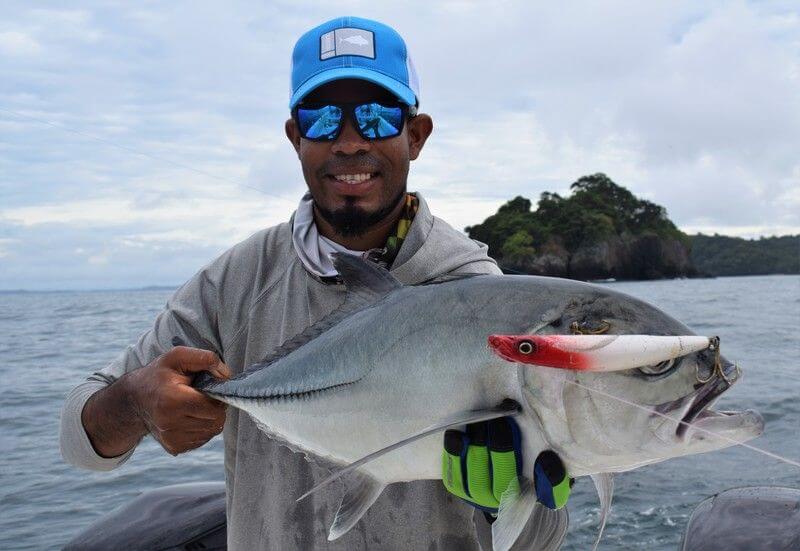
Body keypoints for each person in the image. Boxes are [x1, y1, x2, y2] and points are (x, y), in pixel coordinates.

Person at [60, 16, 567, 549]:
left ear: (414, 136)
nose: (348, 143)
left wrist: (510, 498)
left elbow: (545, 538)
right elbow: (79, 437)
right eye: (323, 119)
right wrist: (136, 401)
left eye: (376, 117)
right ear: (295, 136)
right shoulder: (236, 281)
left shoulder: (483, 300)